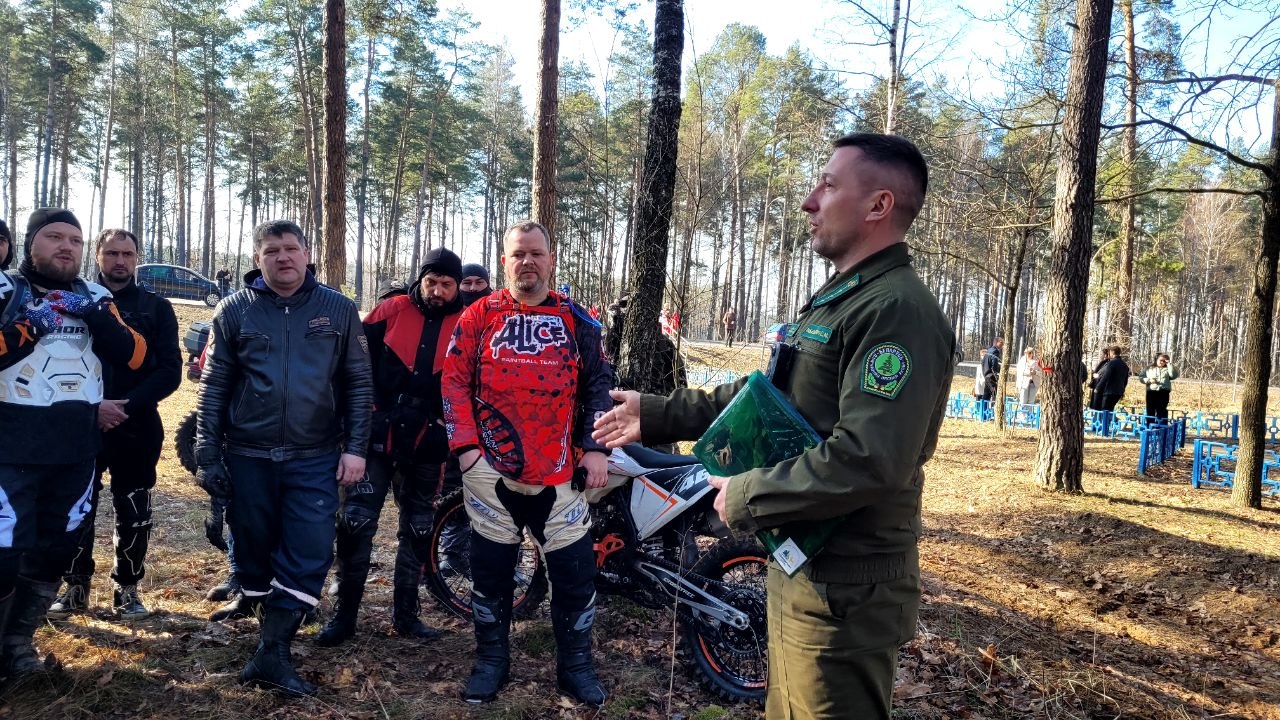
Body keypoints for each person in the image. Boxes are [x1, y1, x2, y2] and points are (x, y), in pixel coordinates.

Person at [593, 133, 955, 719]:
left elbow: (870, 459)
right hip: (797, 560)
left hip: (844, 582)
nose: (809, 201)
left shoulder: (896, 311)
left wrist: (746, 494)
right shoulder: (840, 300)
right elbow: (765, 396)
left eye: (828, 185)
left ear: (879, 205)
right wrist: (657, 412)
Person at [194, 220, 373, 696]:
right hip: (247, 453)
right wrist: (207, 453)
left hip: (315, 454)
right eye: (271, 250)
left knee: (310, 548)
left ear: (307, 253)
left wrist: (356, 449)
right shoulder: (234, 310)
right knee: (252, 545)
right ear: (257, 259)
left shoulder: (338, 309)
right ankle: (259, 614)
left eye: (291, 248)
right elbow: (214, 385)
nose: (283, 257)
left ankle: (273, 651)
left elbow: (359, 383)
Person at [442, 221, 613, 707]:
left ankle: (575, 668)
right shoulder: (479, 315)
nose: (528, 262)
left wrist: (595, 447)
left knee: (575, 574)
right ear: (505, 261)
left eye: (536, 253)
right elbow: (453, 382)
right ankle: (491, 662)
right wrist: (466, 449)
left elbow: (599, 384)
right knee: (490, 572)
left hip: (561, 475)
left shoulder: (579, 320)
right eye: (518, 254)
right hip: (490, 474)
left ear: (551, 259)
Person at [0, 208, 146, 677]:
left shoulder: (96, 295)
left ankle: (18, 647)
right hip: (10, 444)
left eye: (76, 240)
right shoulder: (5, 290)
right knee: (4, 553)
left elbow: (135, 355)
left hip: (76, 448)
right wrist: (30, 326)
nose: (66, 246)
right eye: (54, 237)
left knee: (55, 550)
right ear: (30, 243)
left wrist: (97, 316)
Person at [316, 248, 464, 647]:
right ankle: (344, 616)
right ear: (420, 280)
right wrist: (357, 418)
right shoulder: (391, 311)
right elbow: (351, 366)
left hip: (429, 441)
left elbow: (473, 382)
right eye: (431, 282)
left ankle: (407, 615)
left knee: (418, 527)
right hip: (376, 436)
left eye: (446, 284)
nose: (437, 291)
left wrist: (449, 427)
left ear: (456, 285)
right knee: (356, 521)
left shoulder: (469, 323)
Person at [47, 229, 181, 621]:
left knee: (135, 509)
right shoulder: (71, 302)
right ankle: (75, 587)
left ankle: (127, 589)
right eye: (111, 253)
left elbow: (170, 371)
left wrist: (126, 406)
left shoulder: (156, 308)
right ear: (97, 256)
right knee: (77, 508)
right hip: (80, 423)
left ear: (137, 258)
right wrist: (91, 408)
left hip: (136, 423)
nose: (120, 261)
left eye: (127, 254)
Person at [1089, 345, 1131, 434]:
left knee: (1105, 411)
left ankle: (1107, 429)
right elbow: (1125, 380)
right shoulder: (1124, 365)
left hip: (1109, 391)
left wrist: (1098, 388)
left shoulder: (1112, 363)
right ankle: (1109, 427)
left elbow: (1106, 377)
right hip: (1118, 391)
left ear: (1112, 353)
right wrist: (1122, 390)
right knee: (1109, 410)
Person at [1140, 353, 1178, 420]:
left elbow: (1173, 375)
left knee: (1162, 410)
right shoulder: (1149, 368)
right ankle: (1150, 424)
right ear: (1156, 360)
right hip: (1151, 392)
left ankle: (1161, 425)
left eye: (1164, 361)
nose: (1162, 362)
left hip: (1163, 392)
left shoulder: (1168, 368)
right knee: (1150, 410)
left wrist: (1169, 364)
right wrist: (1149, 380)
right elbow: (1141, 377)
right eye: (1161, 360)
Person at [980, 336, 1003, 403]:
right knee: (995, 393)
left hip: (986, 375)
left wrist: (985, 374)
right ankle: (994, 408)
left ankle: (984, 408)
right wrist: (996, 375)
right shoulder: (995, 351)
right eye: (1001, 343)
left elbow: (983, 363)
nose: (1002, 345)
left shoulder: (988, 351)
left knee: (986, 394)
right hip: (991, 376)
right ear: (997, 342)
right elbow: (994, 364)